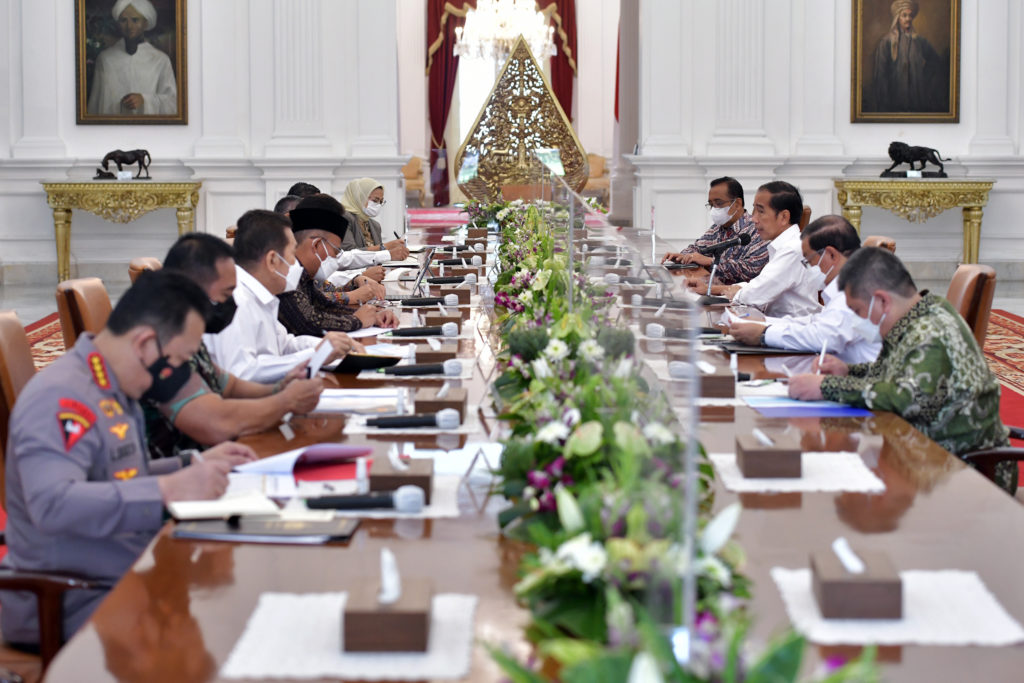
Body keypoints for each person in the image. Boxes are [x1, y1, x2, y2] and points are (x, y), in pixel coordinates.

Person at [0, 270, 256, 645]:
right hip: (72, 596)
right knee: (227, 626)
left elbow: (115, 477)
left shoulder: (114, 386)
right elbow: (52, 504)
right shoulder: (62, 399)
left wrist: (191, 466)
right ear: (145, 345)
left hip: (124, 571)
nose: (175, 375)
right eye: (177, 360)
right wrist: (168, 489)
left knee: (241, 593)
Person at [788, 248, 1017, 494]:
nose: (857, 320)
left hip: (968, 471)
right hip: (925, 454)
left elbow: (904, 398)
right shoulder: (919, 315)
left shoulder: (930, 333)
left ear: (883, 300)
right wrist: (847, 371)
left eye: (857, 311)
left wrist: (825, 386)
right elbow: (890, 373)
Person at [143, 233, 325, 458]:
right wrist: (285, 401)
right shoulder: (159, 345)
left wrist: (281, 388)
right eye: (226, 295)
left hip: (211, 459)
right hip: (179, 477)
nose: (232, 305)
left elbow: (229, 385)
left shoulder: (188, 331)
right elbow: (215, 421)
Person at [204, 209, 363, 383]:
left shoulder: (263, 296)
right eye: (291, 254)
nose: (296, 264)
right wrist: (316, 354)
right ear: (272, 260)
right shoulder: (236, 301)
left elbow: (284, 344)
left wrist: (328, 345)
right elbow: (242, 372)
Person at [727, 215, 881, 364]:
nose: (809, 268)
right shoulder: (850, 283)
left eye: (809, 260)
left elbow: (823, 337)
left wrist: (764, 334)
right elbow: (815, 323)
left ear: (831, 255)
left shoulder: (856, 292)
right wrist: (764, 322)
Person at [278, 194, 399, 336]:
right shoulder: (284, 270)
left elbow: (323, 306)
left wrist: (373, 316)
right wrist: (356, 320)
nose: (336, 257)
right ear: (316, 245)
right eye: (335, 250)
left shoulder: (302, 273)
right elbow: (308, 322)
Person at [704, 181, 820, 318]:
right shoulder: (784, 245)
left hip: (789, 331)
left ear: (784, 217)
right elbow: (759, 285)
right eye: (754, 210)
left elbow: (755, 294)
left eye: (761, 211)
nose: (754, 219)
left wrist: (719, 291)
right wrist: (714, 289)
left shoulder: (792, 249)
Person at [662, 177, 768, 285]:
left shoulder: (757, 228)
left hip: (742, 298)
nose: (714, 209)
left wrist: (710, 262)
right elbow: (695, 248)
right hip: (714, 292)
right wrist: (684, 257)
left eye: (719, 203)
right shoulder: (716, 229)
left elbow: (752, 269)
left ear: (737, 204)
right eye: (711, 205)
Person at [86, 0, 178, 116]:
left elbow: (172, 103)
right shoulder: (105, 59)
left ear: (145, 23)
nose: (129, 26)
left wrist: (144, 100)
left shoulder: (161, 60)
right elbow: (94, 106)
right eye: (124, 20)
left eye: (135, 20)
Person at [868, 0, 946, 113]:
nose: (908, 19)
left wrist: (923, 77)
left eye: (910, 15)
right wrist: (884, 104)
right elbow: (881, 76)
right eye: (904, 15)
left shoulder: (920, 41)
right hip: (893, 103)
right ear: (897, 18)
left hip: (917, 102)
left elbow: (935, 62)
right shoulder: (886, 42)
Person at [339, 178, 409, 257]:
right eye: (375, 200)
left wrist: (394, 252)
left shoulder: (375, 226)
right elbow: (348, 253)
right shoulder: (343, 218)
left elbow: (378, 256)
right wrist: (385, 247)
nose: (378, 205)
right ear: (360, 197)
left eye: (381, 201)